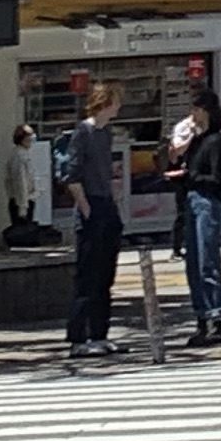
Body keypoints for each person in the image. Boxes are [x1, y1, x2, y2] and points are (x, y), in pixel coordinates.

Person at [62, 83, 125, 361]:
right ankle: (78, 337)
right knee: (87, 275)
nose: (118, 107)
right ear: (105, 103)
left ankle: (100, 333)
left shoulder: (105, 133)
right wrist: (86, 208)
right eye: (115, 102)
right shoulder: (83, 132)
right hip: (91, 204)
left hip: (106, 203)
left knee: (105, 274)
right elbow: (71, 174)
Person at [168, 87, 221, 346]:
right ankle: (201, 319)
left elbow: (215, 177)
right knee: (193, 261)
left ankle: (218, 319)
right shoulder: (196, 139)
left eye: (196, 109)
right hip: (191, 199)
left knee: (207, 260)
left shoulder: (215, 140)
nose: (192, 115)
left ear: (206, 111)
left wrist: (190, 176)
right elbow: (179, 158)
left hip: (206, 200)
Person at [4, 121, 53, 246]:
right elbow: (20, 181)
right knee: (22, 231)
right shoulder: (19, 156)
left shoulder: (22, 153)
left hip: (25, 198)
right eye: (30, 136)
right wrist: (23, 205)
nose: (32, 139)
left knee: (24, 230)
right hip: (22, 200)